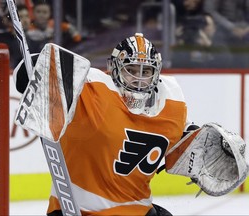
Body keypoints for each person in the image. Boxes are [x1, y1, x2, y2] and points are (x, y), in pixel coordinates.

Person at [13, 33, 248, 215]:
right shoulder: (91, 86)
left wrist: (209, 149)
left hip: (139, 211)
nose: (138, 78)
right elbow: (24, 76)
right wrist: (36, 70)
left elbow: (182, 146)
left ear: (156, 73)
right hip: (77, 209)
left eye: (146, 71)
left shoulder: (172, 104)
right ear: (114, 68)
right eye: (131, 70)